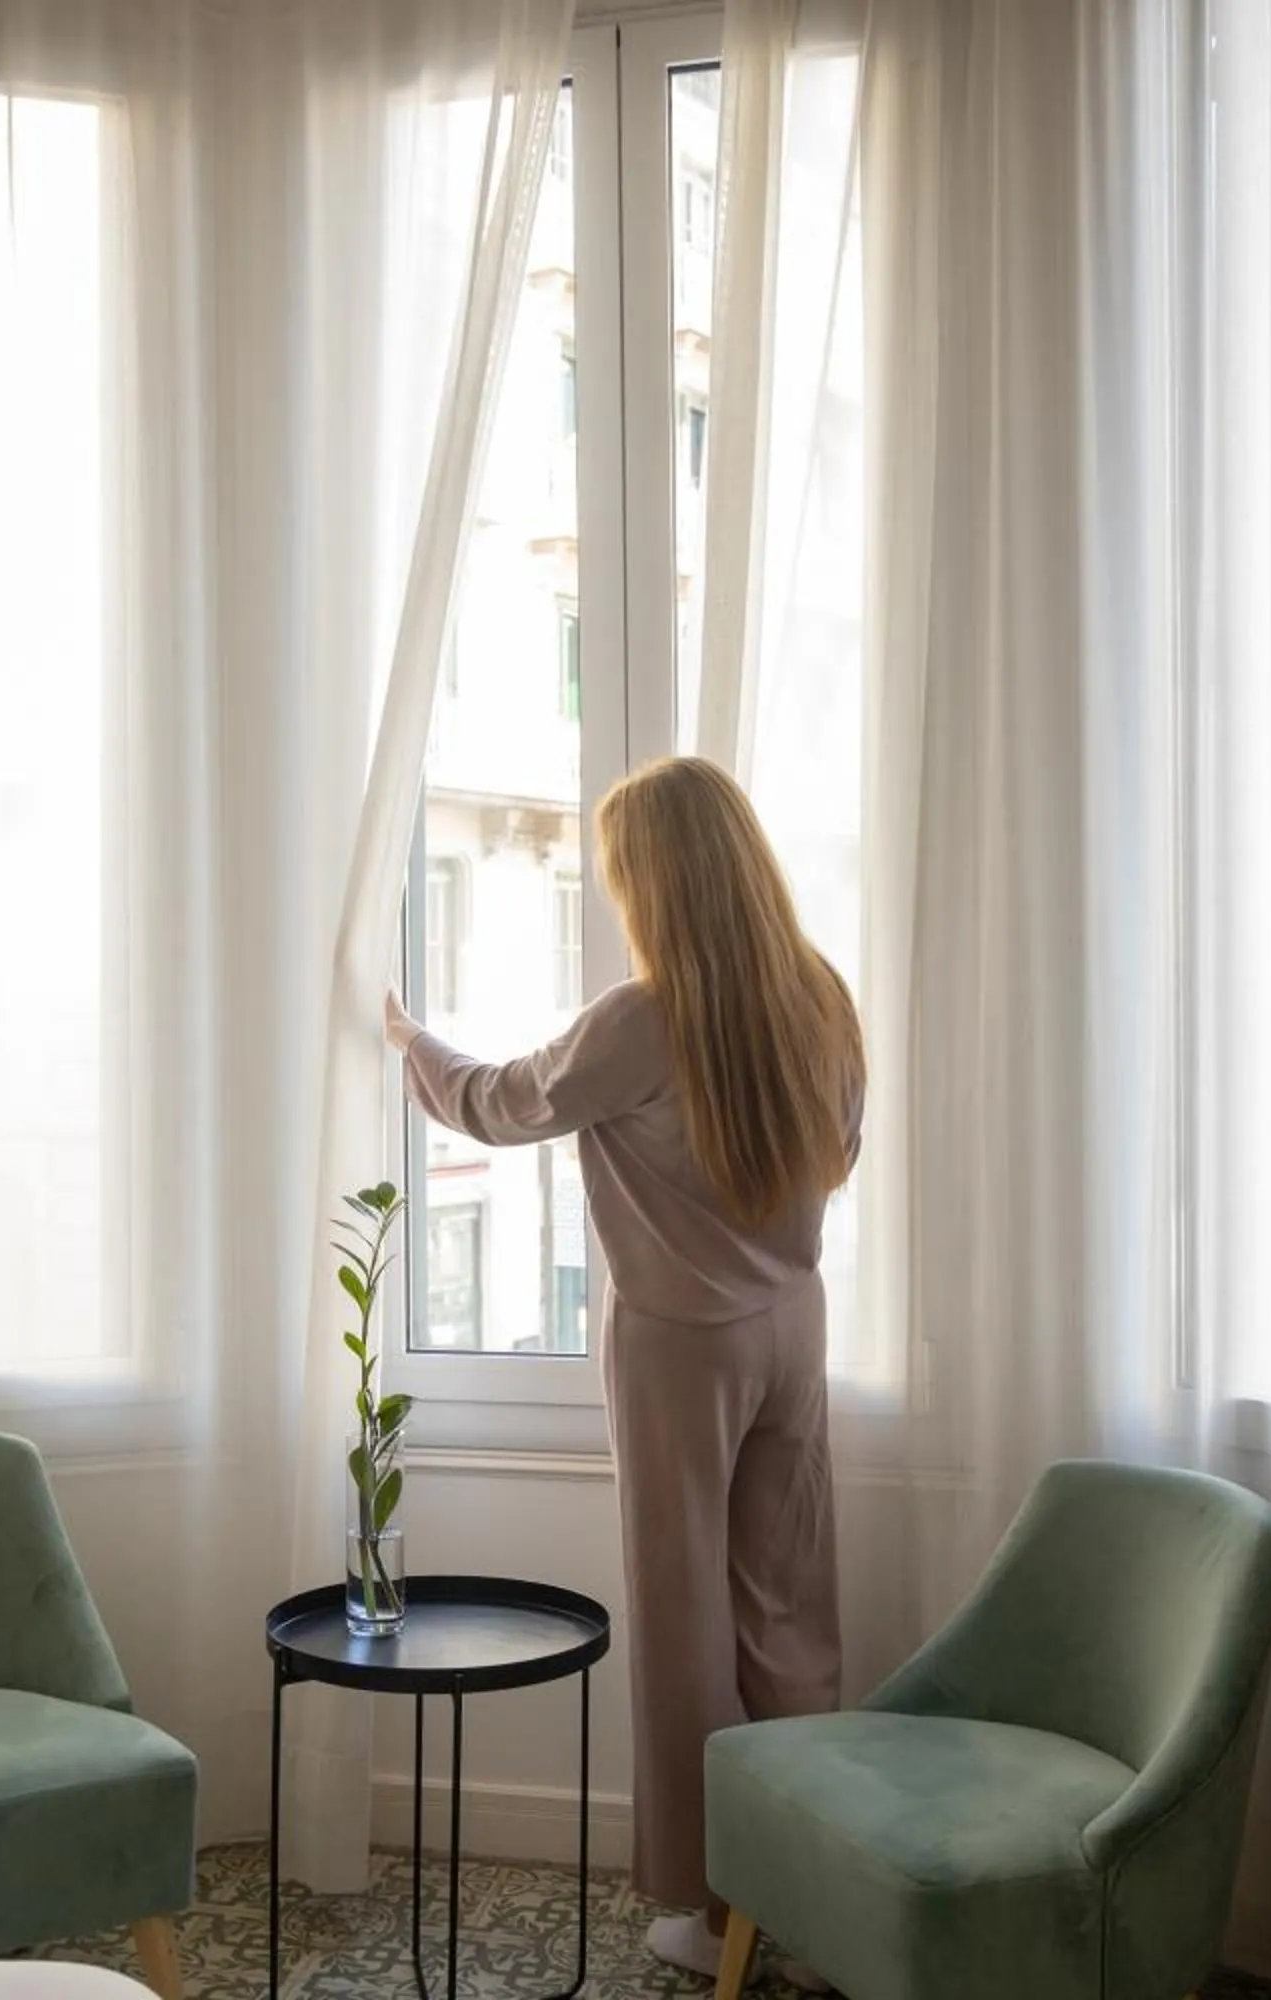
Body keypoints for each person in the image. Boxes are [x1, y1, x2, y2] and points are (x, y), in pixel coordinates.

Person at [385, 755, 861, 1986]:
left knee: (686, 1618)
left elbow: (501, 1102)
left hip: (679, 1344)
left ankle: (711, 1911)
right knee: (788, 1606)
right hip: (793, 1327)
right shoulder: (820, 995)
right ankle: (806, 1900)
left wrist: (406, 1038)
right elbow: (842, 1148)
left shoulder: (646, 1017)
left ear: (656, 880)